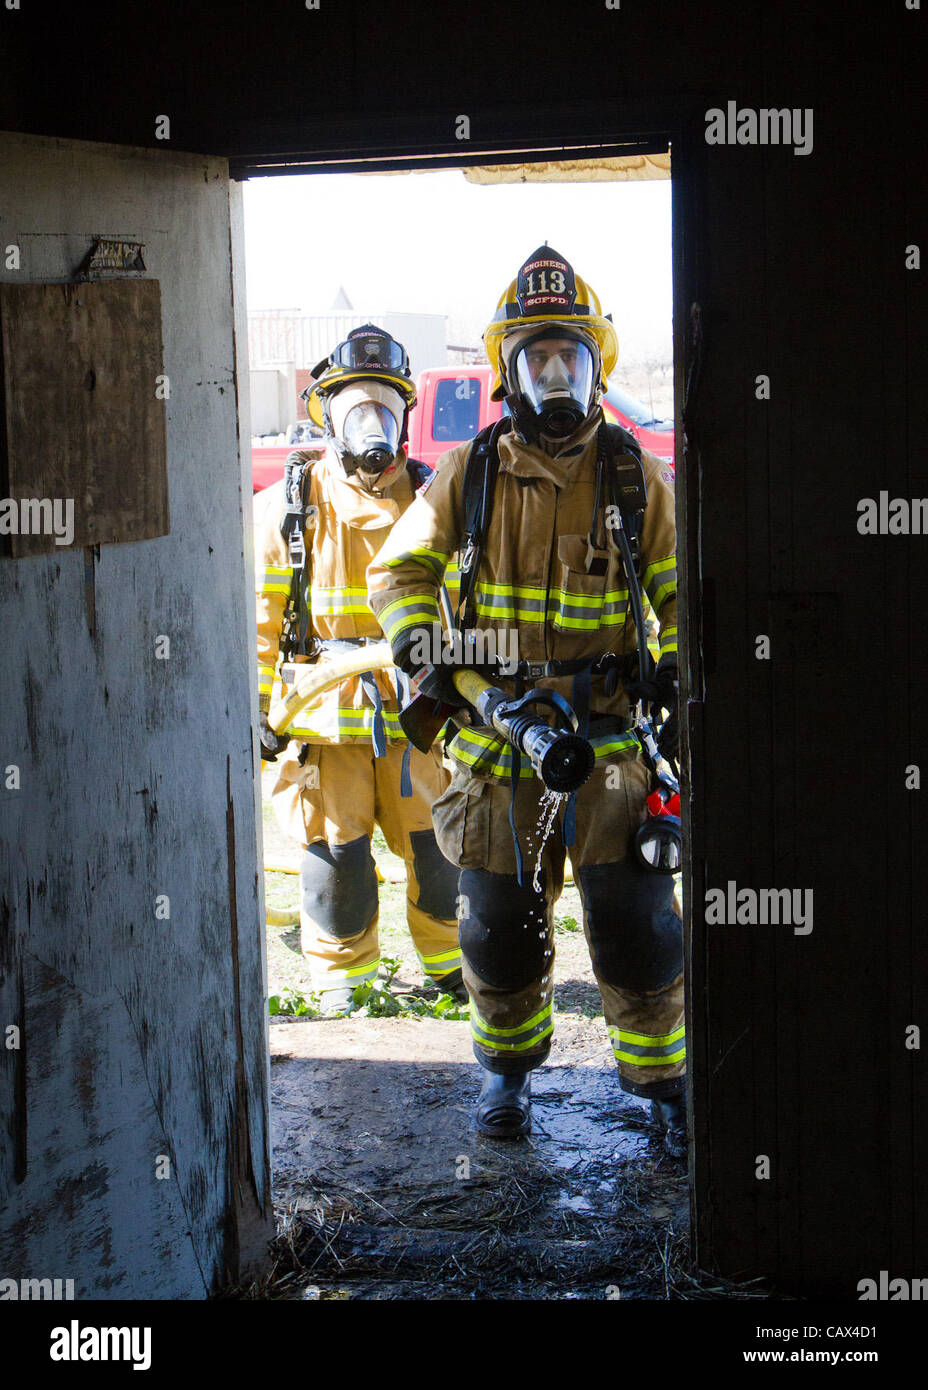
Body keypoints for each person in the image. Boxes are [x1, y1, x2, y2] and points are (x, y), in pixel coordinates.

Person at [367, 251, 685, 1154]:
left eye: (570, 359)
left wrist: (678, 674)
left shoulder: (633, 478)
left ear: (597, 368)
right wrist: (429, 662)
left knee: (638, 930)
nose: (555, 376)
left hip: (612, 755)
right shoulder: (467, 476)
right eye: (538, 359)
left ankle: (663, 1089)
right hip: (496, 750)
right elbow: (400, 571)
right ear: (510, 371)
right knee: (498, 934)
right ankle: (505, 1082)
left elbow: (684, 592)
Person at [255, 324, 463, 1016]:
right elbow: (259, 620)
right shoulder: (290, 508)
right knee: (335, 861)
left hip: (419, 721)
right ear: (328, 414)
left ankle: (451, 967)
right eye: (356, 404)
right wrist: (257, 712)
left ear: (405, 416)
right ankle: (346, 984)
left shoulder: (438, 502)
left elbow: (468, 608)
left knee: (439, 854)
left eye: (385, 403)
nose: (372, 420)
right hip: (322, 725)